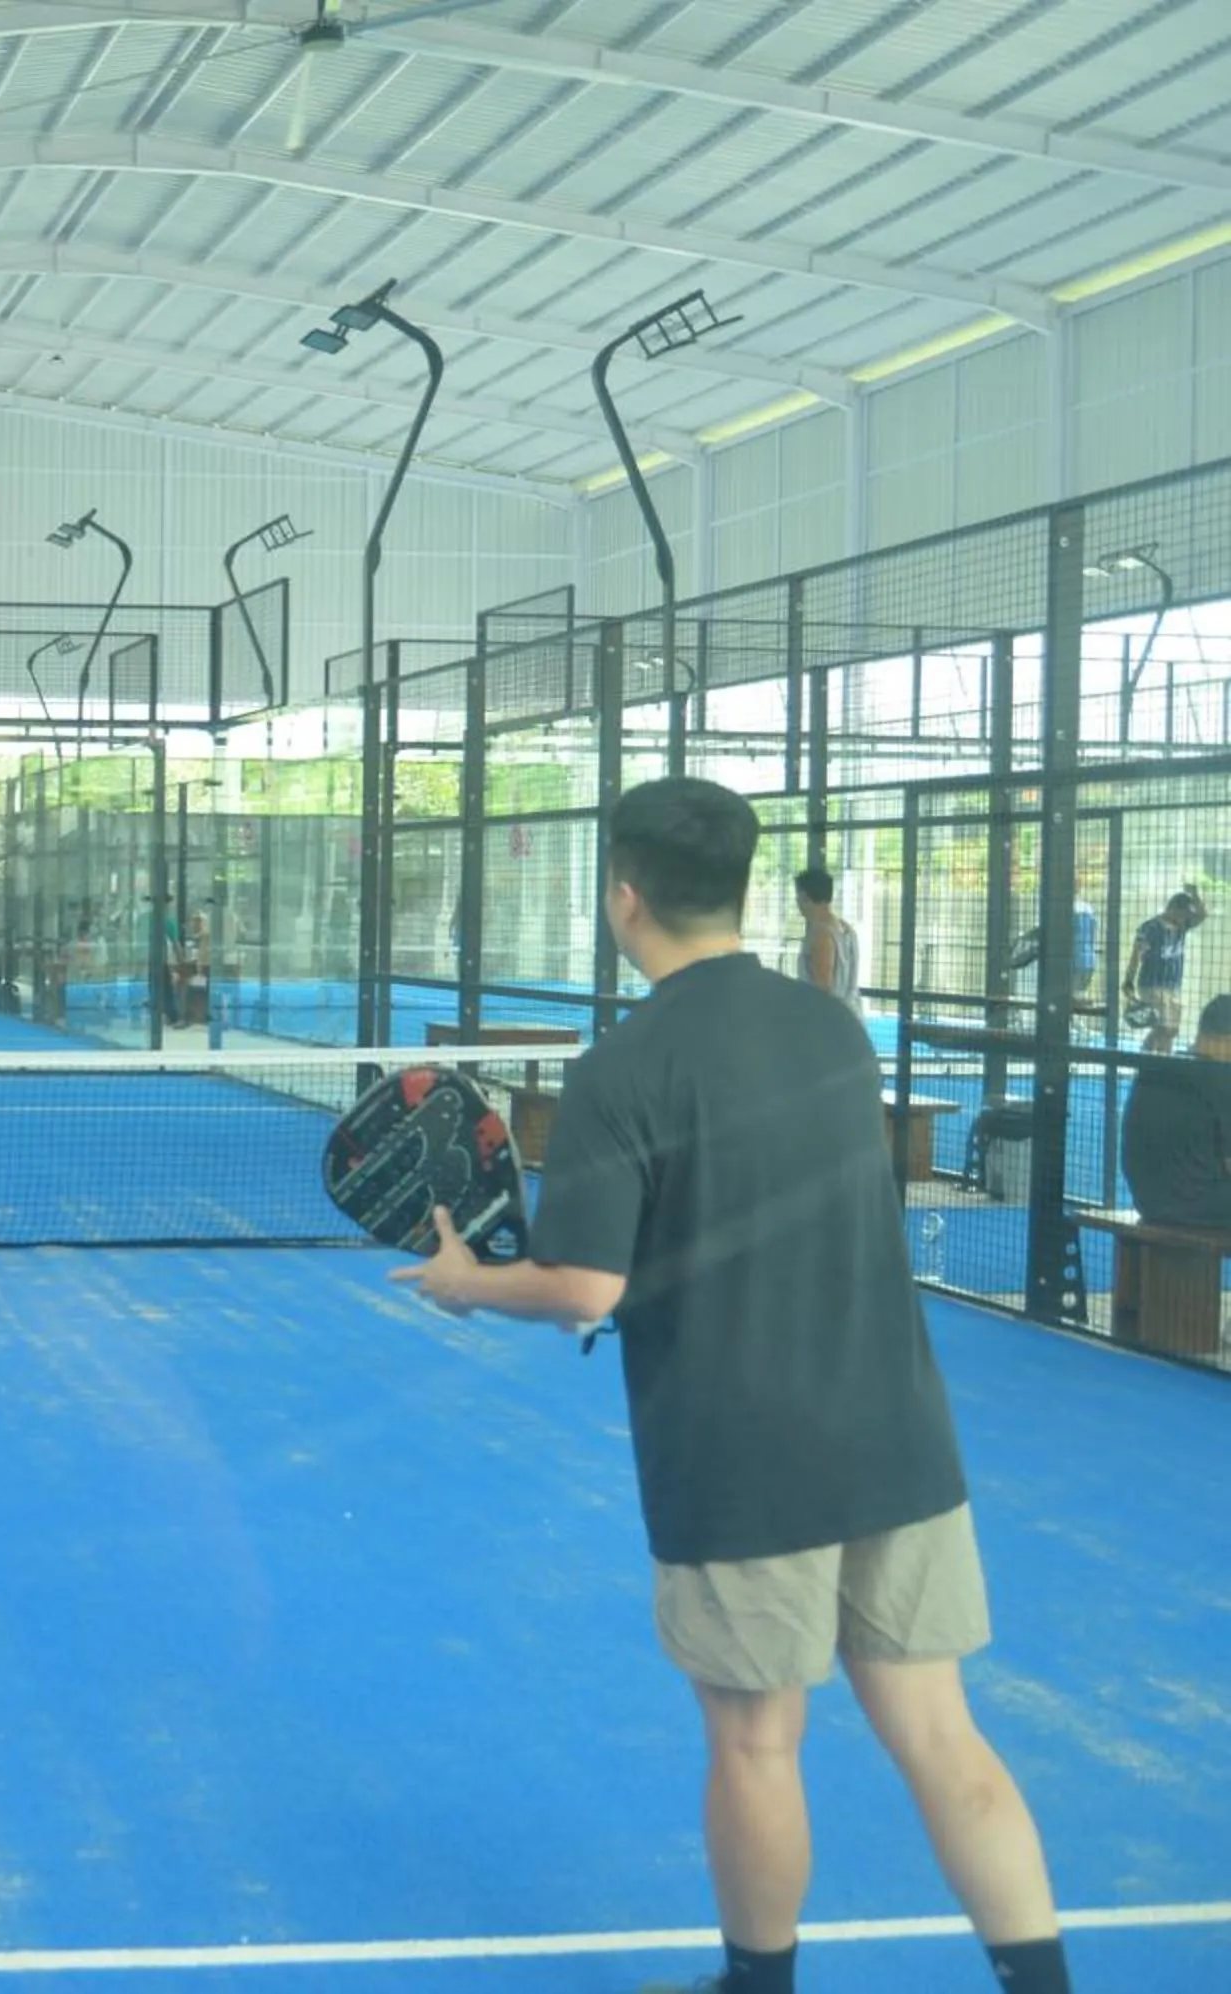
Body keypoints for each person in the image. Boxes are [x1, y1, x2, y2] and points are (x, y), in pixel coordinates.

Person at [392, 778, 1070, 1994]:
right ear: (743, 889)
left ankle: (758, 1984)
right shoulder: (833, 1030)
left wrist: (465, 1282)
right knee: (939, 1727)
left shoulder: (621, 1068)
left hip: (743, 1455)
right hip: (900, 1435)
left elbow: (585, 1286)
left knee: (758, 1740)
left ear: (624, 896)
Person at [1120, 993, 1231, 1233]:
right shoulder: (1223, 1079)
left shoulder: (1158, 1067)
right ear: (1225, 1041)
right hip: (1199, 1208)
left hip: (1147, 1203)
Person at [1122, 888, 1206, 1056]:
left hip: (1173, 985)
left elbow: (1202, 915)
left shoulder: (1182, 927)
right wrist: (1129, 980)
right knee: (1163, 1027)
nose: (1186, 919)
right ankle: (1145, 1056)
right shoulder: (1150, 928)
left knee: (1172, 1030)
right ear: (1173, 909)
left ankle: (1164, 1059)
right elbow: (1136, 955)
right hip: (1152, 984)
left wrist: (1195, 894)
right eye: (1184, 914)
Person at [791, 868, 861, 1013]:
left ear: (804, 897)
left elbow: (822, 990)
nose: (797, 902)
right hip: (849, 1014)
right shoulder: (846, 929)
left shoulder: (821, 934)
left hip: (828, 1018)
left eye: (798, 896)